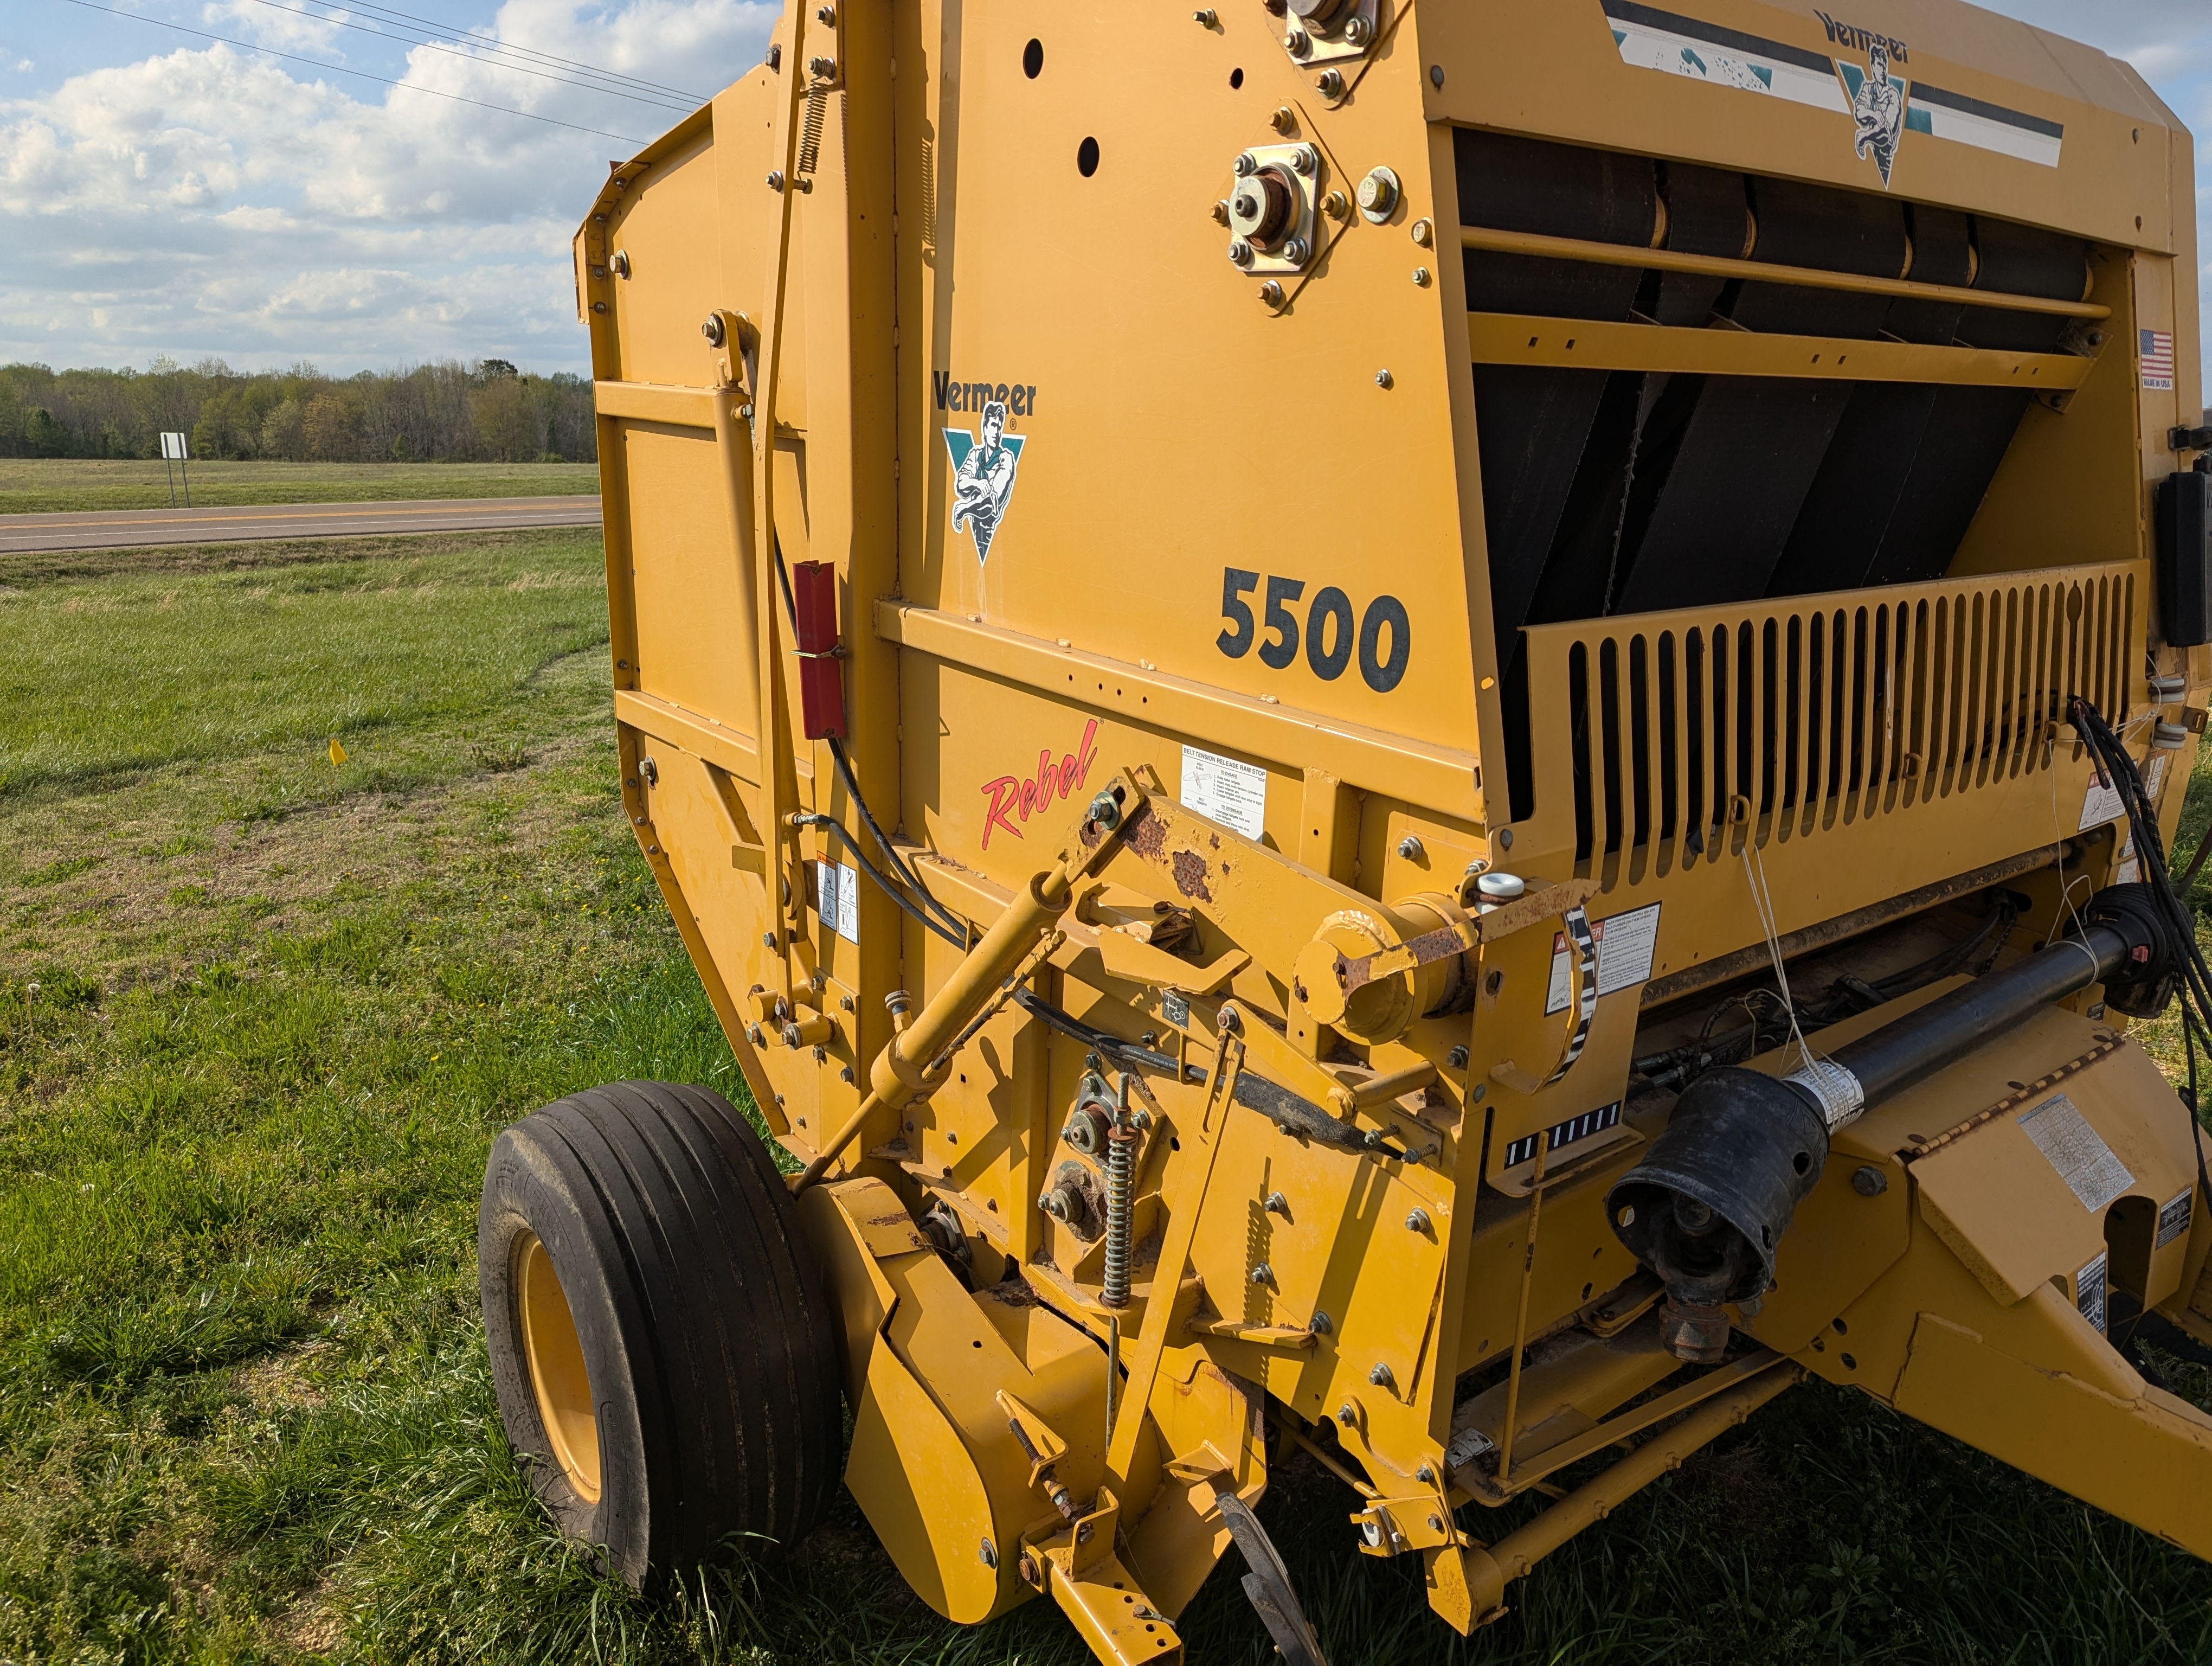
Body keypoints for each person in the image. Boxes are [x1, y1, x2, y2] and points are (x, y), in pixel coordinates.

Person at [952, 400, 1020, 560]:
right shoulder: (976, 455)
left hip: (990, 535)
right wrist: (977, 483)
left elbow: (991, 501)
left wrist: (964, 510)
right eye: (993, 426)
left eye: (999, 427)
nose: (997, 432)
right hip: (973, 532)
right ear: (985, 428)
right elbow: (961, 484)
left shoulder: (1006, 459)